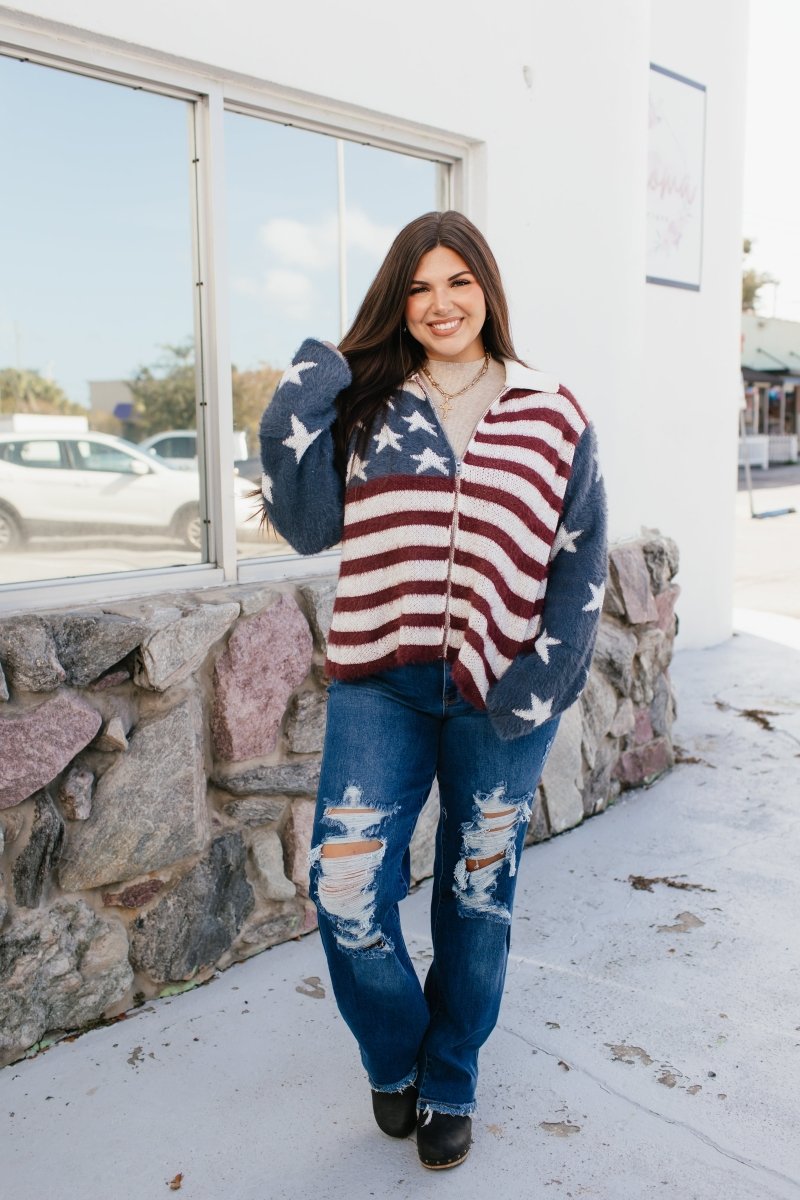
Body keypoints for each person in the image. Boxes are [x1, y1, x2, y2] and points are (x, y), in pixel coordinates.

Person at [259, 210, 607, 1170]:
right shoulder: (374, 404)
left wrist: (545, 679)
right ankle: (394, 1054)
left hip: (504, 696)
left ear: (488, 287)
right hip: (382, 680)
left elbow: (581, 563)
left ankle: (451, 1074)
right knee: (345, 888)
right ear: (396, 301)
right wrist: (311, 379)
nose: (439, 303)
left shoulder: (551, 412)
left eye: (457, 281)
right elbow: (304, 523)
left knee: (477, 894)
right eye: (418, 286)